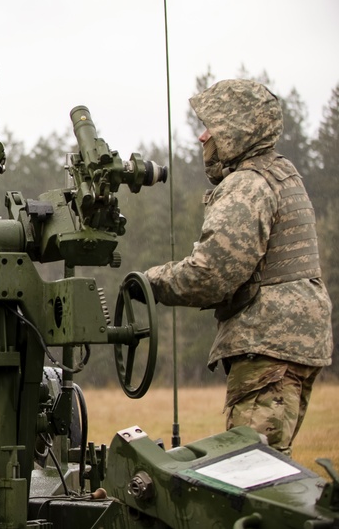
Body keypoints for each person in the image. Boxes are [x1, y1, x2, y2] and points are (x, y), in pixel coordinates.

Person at [138, 78, 333, 456]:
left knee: (251, 470)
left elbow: (211, 274)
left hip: (269, 344)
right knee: (268, 462)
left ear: (234, 131)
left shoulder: (247, 185)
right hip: (295, 342)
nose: (202, 138)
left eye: (210, 127)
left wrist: (150, 282)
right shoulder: (282, 174)